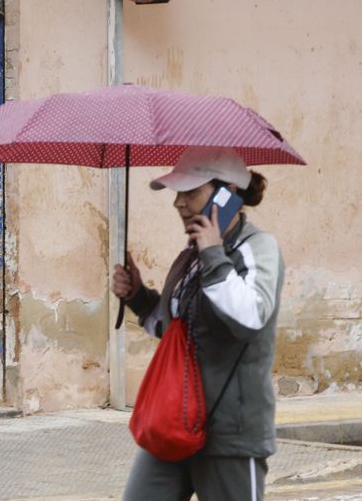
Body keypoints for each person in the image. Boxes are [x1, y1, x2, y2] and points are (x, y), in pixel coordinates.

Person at [112, 146, 284, 501]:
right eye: (178, 193)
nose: (179, 203)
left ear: (227, 195)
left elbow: (251, 318)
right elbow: (171, 329)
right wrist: (138, 296)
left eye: (190, 192)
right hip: (173, 421)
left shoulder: (257, 248)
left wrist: (213, 254)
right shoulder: (190, 256)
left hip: (230, 435)